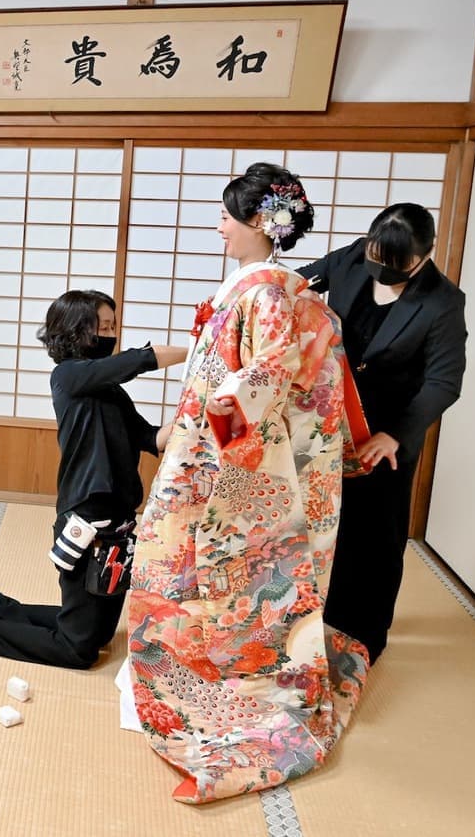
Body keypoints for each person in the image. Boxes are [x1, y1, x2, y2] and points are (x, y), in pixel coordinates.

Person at [124, 163, 370, 803]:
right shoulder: (295, 289)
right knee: (243, 570)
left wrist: (216, 421)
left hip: (235, 459)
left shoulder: (264, 291)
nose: (220, 227)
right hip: (279, 457)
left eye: (228, 217)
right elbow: (318, 377)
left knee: (200, 556)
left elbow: (271, 369)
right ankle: (223, 652)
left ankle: (219, 668)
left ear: (261, 224)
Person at [0, 290, 186, 667]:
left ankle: (2, 607)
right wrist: (201, 348)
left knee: (98, 634)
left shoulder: (112, 393)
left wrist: (196, 414)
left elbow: (152, 439)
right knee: (78, 651)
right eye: (102, 327)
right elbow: (142, 359)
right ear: (74, 332)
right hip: (86, 515)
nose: (110, 334)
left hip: (120, 517)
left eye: (112, 327)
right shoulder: (68, 376)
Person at [299, 203, 467, 662]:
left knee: (377, 535)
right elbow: (295, 285)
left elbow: (443, 382)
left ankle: (365, 635)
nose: (382, 269)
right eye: (377, 258)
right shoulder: (355, 255)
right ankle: (321, 619)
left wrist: (395, 434)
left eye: (398, 265)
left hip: (386, 432)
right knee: (324, 523)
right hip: (329, 422)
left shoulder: (442, 301)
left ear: (425, 256)